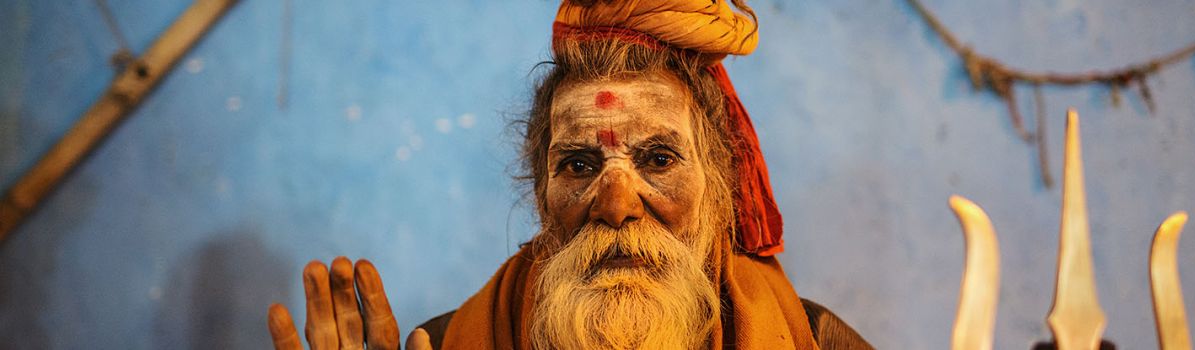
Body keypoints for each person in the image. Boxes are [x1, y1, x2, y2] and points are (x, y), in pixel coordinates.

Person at [266, 0, 872, 348]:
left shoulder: (816, 342)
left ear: (716, 187)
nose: (615, 202)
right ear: (540, 194)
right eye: (578, 164)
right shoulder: (451, 345)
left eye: (658, 160)